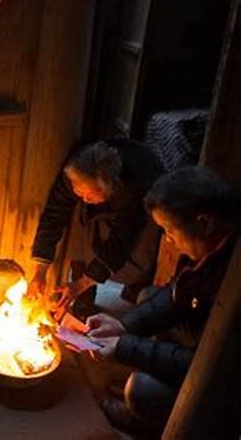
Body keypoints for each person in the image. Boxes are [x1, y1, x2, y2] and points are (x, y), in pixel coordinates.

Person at [87, 166, 240, 433]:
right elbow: (177, 293)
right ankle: (152, 376)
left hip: (226, 385)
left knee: (141, 390)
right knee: (149, 296)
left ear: (204, 223)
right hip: (201, 331)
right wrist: (124, 327)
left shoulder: (233, 282)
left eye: (169, 230)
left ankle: (148, 420)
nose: (168, 240)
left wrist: (124, 346)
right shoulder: (211, 248)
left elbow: (203, 363)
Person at [27, 140, 164, 314]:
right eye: (79, 191)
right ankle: (84, 298)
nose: (84, 198)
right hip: (111, 189)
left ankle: (135, 288)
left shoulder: (132, 190)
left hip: (147, 191)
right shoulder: (74, 172)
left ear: (109, 187)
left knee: (138, 250)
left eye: (90, 195)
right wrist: (40, 272)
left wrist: (81, 284)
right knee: (81, 223)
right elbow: (53, 217)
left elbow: (120, 240)